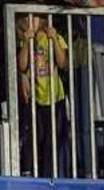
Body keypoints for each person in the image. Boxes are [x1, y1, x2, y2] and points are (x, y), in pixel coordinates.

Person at [17, 12, 70, 178]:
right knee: (32, 137)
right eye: (29, 18)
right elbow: (22, 65)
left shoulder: (55, 37)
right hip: (35, 98)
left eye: (37, 17)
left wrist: (54, 39)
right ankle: (28, 172)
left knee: (52, 140)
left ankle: (50, 175)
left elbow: (63, 63)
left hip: (55, 97)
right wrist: (26, 42)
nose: (32, 21)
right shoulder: (25, 40)